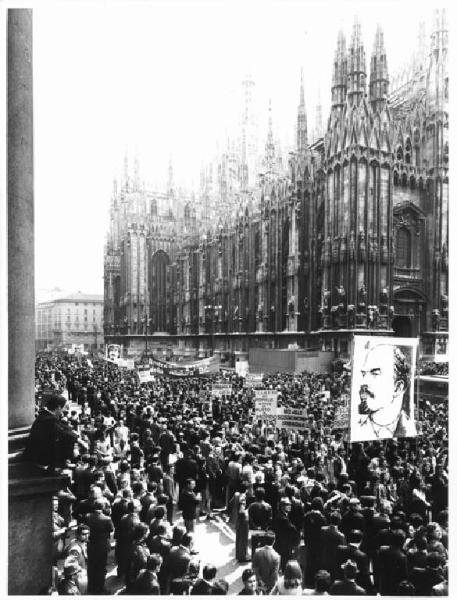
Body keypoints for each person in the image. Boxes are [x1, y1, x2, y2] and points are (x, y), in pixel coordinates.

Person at [354, 343, 416, 440]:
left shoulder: (410, 429)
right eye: (363, 374)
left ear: (398, 387)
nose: (363, 382)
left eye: (375, 373)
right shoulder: (356, 429)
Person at [23, 394, 82, 471]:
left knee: (69, 435)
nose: (64, 410)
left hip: (37, 450)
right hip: (40, 455)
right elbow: (62, 433)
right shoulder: (49, 419)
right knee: (68, 438)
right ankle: (62, 463)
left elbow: (62, 427)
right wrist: (77, 438)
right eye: (63, 407)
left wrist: (73, 433)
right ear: (58, 407)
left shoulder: (46, 415)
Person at [85, 498, 114, 594]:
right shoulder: (107, 519)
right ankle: (100, 588)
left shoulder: (88, 516)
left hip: (91, 545)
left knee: (91, 566)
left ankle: (91, 587)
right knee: (101, 567)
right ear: (103, 507)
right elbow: (110, 529)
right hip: (102, 546)